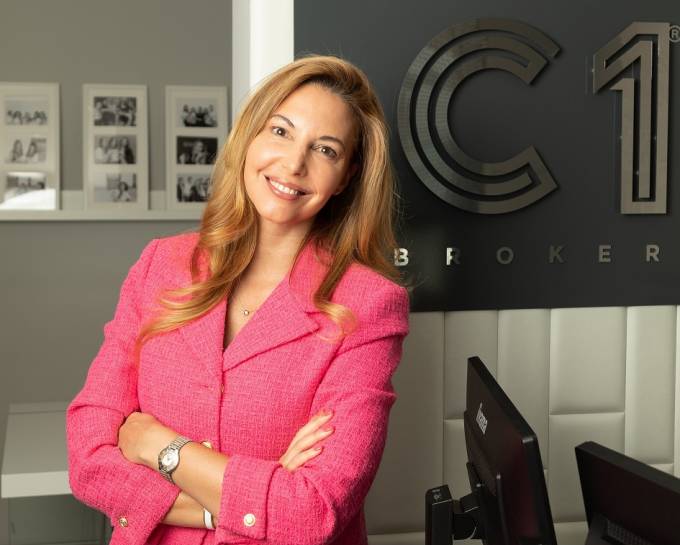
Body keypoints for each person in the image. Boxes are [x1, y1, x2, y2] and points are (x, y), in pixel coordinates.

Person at [66, 54, 410, 545]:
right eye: (281, 131)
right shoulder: (160, 265)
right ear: (249, 136)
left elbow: (314, 510)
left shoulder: (369, 304)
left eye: (325, 149)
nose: (294, 164)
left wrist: (159, 446)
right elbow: (88, 461)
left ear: (347, 176)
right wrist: (246, 498)